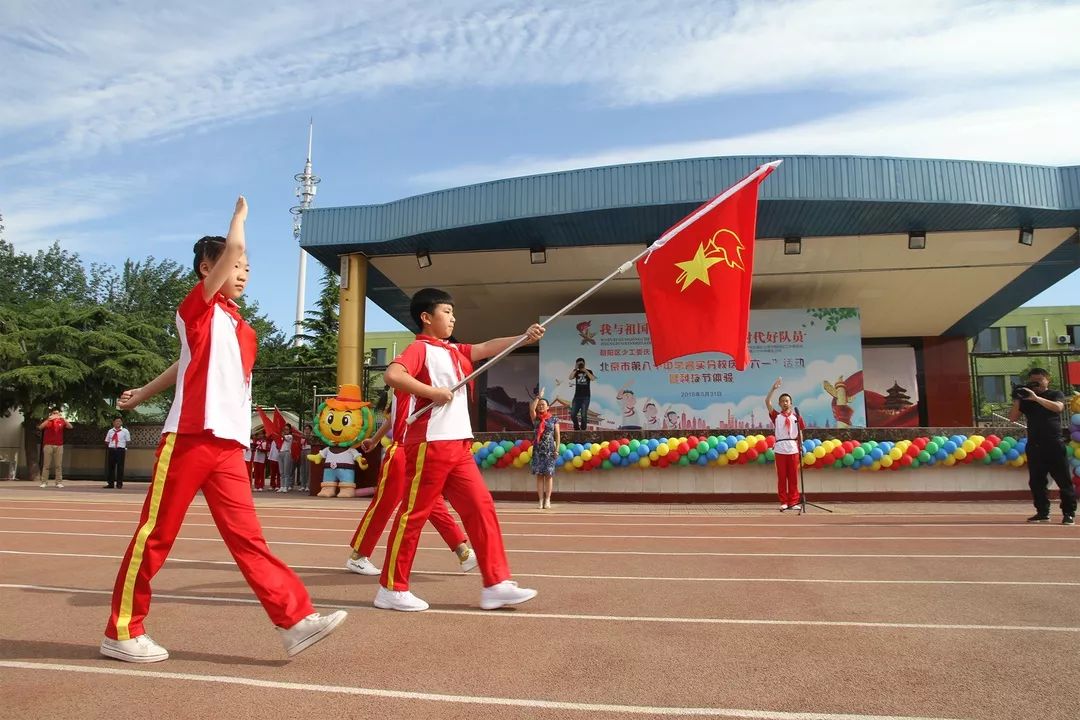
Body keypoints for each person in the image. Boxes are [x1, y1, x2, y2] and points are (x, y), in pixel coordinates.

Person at [99, 196, 346, 664]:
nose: (244, 270)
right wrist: (239, 220)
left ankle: (294, 621)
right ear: (207, 268)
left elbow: (184, 363)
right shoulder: (196, 307)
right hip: (189, 438)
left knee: (249, 539)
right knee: (155, 535)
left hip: (230, 445)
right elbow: (227, 258)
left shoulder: (240, 327)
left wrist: (143, 392)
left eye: (248, 267)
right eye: (236, 263)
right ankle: (122, 630)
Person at [376, 287, 542, 612]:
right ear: (426, 317)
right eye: (446, 312)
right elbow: (392, 374)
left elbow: (485, 347)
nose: (452, 318)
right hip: (430, 445)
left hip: (459, 445)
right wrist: (432, 392)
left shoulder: (455, 351)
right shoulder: (419, 349)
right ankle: (391, 588)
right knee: (414, 514)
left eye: (453, 313)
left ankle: (495, 584)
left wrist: (523, 337)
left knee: (481, 508)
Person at [345, 390, 478, 576]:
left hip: (420, 451)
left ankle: (462, 552)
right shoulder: (412, 381)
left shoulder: (418, 384)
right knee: (384, 505)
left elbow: (394, 417)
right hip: (401, 451)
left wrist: (375, 440)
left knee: (433, 503)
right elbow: (395, 417)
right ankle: (358, 556)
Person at [1009, 368, 1076, 525]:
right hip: (1034, 445)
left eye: (1040, 380)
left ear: (1047, 380)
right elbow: (1012, 418)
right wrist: (1018, 399)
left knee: (1063, 480)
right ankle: (1042, 512)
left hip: (1054, 444)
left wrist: (1036, 398)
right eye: (1033, 380)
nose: (1037, 383)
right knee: (1036, 481)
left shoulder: (1054, 394)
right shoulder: (1026, 399)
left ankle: (1068, 512)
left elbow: (1058, 408)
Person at [765, 378, 806, 512]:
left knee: (793, 477)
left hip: (793, 448)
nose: (784, 403)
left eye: (787, 401)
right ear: (779, 403)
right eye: (782, 401)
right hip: (780, 449)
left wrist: (801, 446)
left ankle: (793, 502)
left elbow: (800, 432)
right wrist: (773, 389)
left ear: (791, 403)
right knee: (782, 477)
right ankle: (784, 501)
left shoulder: (797, 417)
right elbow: (767, 402)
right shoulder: (776, 416)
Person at [529, 389, 559, 509]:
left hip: (550, 450)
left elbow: (557, 436)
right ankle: (540, 501)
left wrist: (556, 449)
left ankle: (548, 500)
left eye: (543, 405)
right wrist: (538, 397)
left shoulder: (553, 419)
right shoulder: (536, 418)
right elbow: (531, 409)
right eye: (539, 405)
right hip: (538, 450)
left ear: (548, 407)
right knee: (539, 476)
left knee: (549, 475)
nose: (541, 406)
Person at [38, 408, 72, 488]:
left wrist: (63, 419)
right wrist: (48, 419)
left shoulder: (61, 421)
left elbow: (70, 427)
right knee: (46, 465)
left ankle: (58, 482)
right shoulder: (48, 421)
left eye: (57, 413)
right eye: (54, 413)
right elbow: (40, 427)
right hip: (48, 445)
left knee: (58, 465)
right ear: (51, 414)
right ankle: (44, 482)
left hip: (59, 445)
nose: (56, 414)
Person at [567, 358, 595, 431]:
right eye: (579, 364)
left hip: (586, 397)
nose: (580, 365)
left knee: (583, 414)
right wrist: (575, 369)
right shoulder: (576, 372)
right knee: (573, 414)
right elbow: (570, 378)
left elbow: (592, 378)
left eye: (581, 363)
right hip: (577, 397)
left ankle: (583, 430)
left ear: (584, 364)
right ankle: (576, 428)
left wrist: (585, 370)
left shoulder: (589, 371)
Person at [103, 417, 131, 489]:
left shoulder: (125, 431)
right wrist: (111, 447)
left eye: (119, 421)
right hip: (112, 450)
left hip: (120, 450)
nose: (118, 423)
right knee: (111, 467)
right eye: (116, 421)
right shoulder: (110, 431)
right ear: (113, 423)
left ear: (121, 423)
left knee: (120, 467)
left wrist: (123, 447)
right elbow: (107, 441)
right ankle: (110, 484)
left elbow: (128, 441)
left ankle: (119, 484)